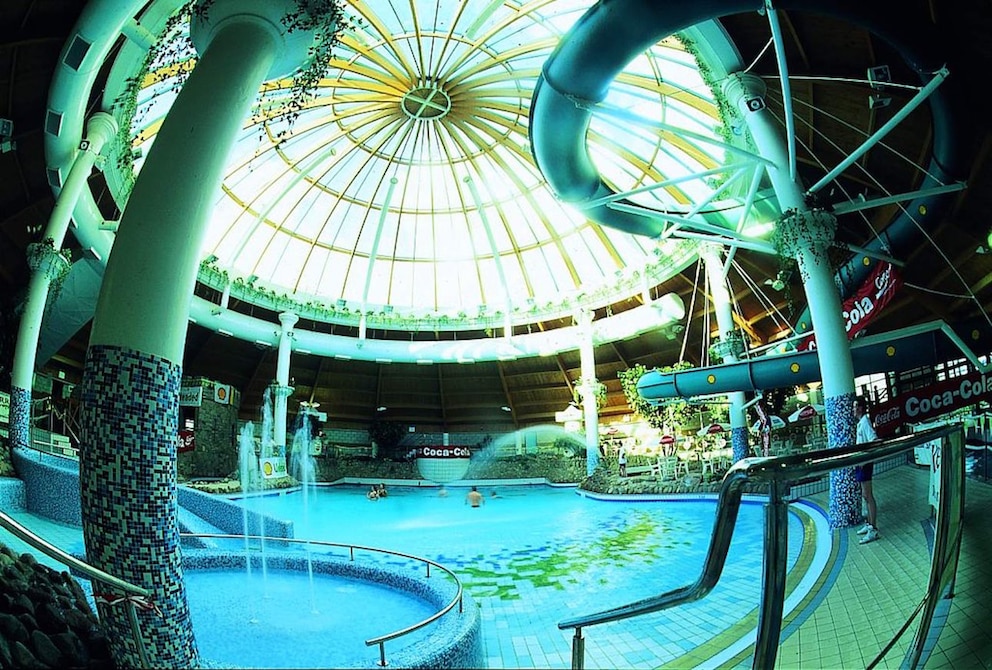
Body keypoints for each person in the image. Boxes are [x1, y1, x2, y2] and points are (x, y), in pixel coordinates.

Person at [854, 396, 880, 544]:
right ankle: (869, 524)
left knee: (868, 495)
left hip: (865, 463)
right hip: (861, 463)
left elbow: (874, 440)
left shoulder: (865, 422)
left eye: (855, 406)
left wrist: (866, 459)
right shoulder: (861, 423)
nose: (853, 409)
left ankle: (873, 529)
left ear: (860, 408)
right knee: (865, 495)